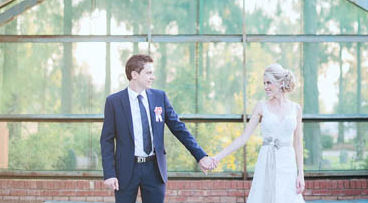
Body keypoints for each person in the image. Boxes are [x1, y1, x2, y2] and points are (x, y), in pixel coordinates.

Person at [100, 54, 216, 203]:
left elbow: (179, 128)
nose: (153, 77)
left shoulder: (159, 97)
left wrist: (201, 155)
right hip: (126, 170)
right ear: (134, 75)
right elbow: (107, 140)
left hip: (154, 170)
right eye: (148, 73)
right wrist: (109, 173)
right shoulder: (114, 102)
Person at [211, 63, 305, 203]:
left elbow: (297, 143)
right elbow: (243, 138)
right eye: (264, 83)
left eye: (269, 83)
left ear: (280, 83)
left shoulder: (296, 109)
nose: (265, 87)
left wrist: (301, 173)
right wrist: (217, 157)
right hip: (266, 162)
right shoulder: (261, 107)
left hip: (287, 164)